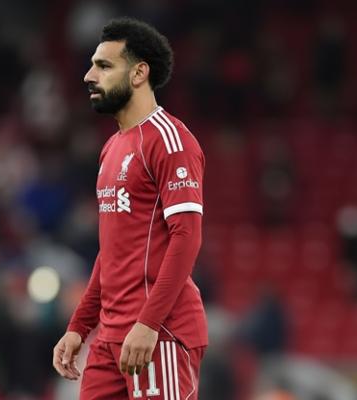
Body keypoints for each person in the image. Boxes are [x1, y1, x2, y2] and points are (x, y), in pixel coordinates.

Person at [52, 17, 208, 399]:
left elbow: (187, 237)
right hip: (110, 337)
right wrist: (79, 326)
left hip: (160, 333)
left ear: (139, 73)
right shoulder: (112, 147)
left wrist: (149, 323)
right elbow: (112, 252)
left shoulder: (170, 141)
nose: (89, 76)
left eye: (104, 66)